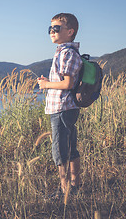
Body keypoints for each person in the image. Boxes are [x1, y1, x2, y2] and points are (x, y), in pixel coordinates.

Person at [37, 13, 82, 198]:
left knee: (60, 150)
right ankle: (75, 185)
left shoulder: (67, 53)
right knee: (70, 146)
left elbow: (68, 84)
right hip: (65, 107)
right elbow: (64, 81)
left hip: (62, 108)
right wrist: (49, 81)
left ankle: (65, 190)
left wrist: (46, 85)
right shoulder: (64, 53)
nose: (52, 32)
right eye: (50, 29)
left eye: (56, 28)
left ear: (70, 32)